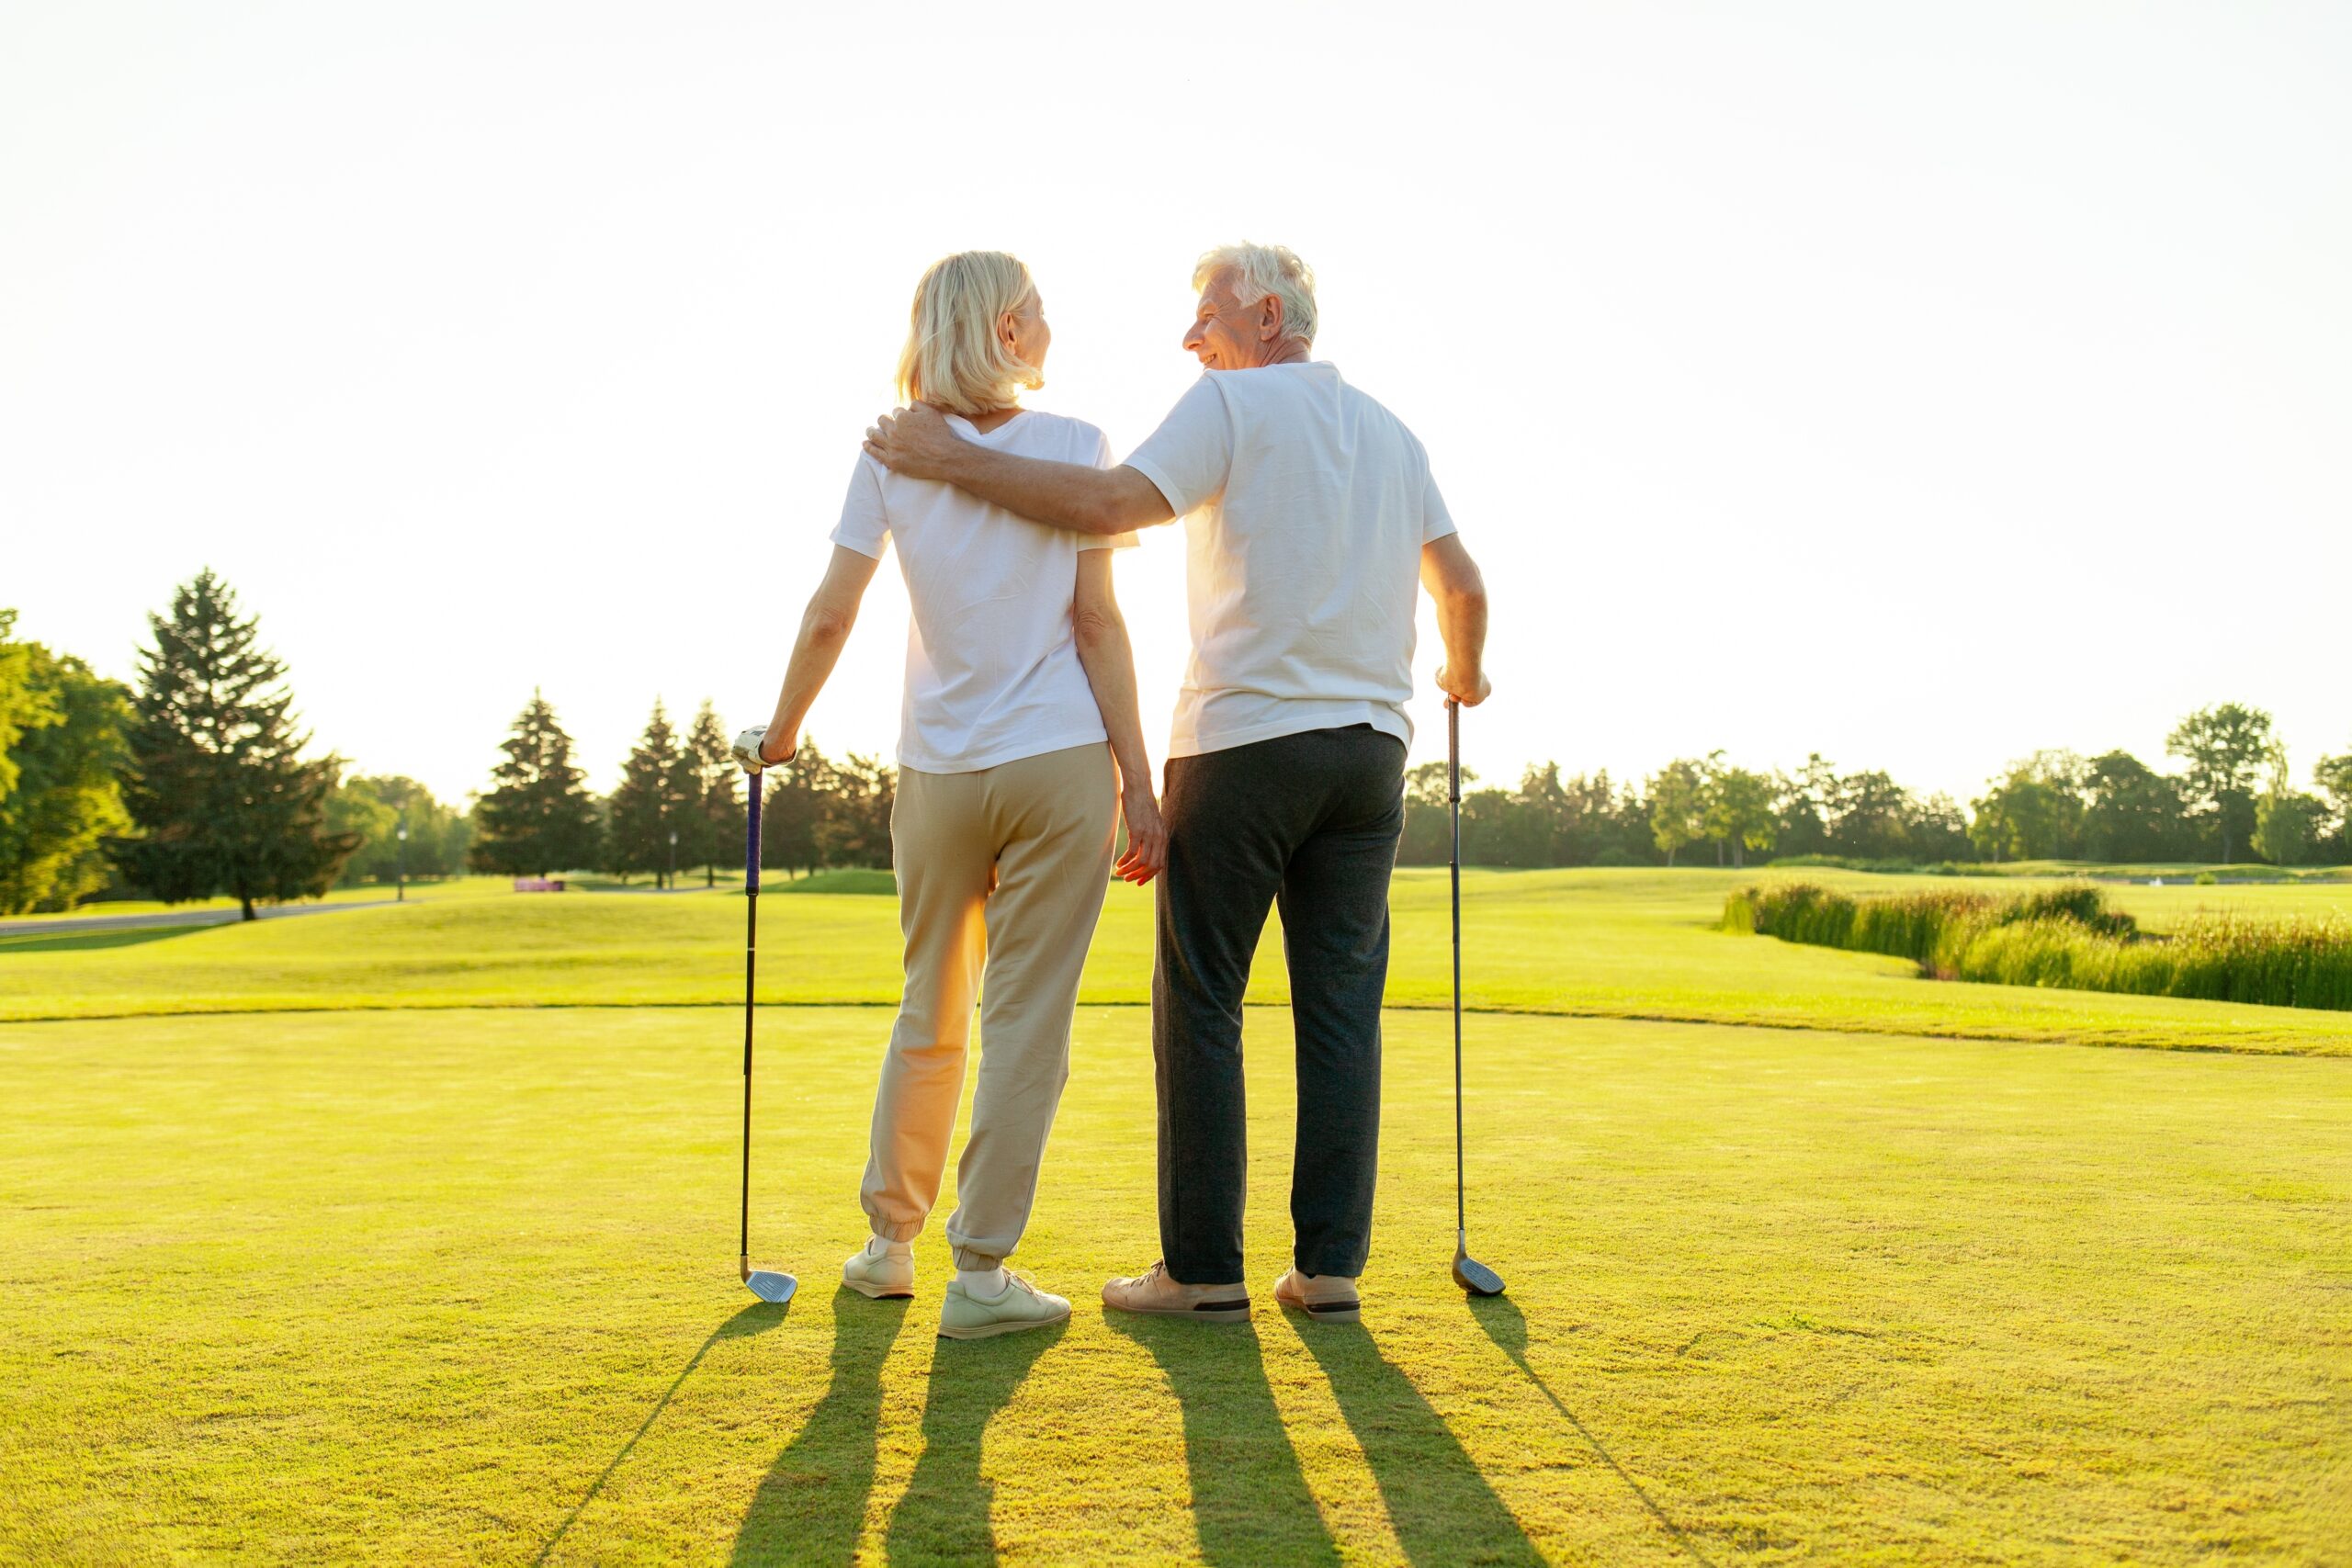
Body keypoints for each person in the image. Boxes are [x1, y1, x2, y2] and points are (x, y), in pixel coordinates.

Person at [863, 242, 1490, 1325]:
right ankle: (1328, 1270)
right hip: (1369, 755)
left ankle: (1201, 1275)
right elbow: (1462, 586)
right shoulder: (1392, 432)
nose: (1190, 338)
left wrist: (945, 458)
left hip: (1243, 745)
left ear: (1261, 312)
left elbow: (1110, 505)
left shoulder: (1228, 407)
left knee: (1202, 1004)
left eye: (1203, 315)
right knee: (1341, 1010)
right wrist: (1461, 674)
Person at [735, 250, 1165, 1341]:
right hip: (1059, 764)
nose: (1051, 324)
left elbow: (832, 610)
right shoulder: (1075, 447)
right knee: (1025, 1023)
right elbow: (1098, 623)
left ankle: (887, 1248)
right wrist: (1141, 783)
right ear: (1007, 334)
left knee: (931, 1006)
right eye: (1039, 310)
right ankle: (980, 1275)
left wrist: (780, 733)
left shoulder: (887, 450)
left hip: (935, 772)